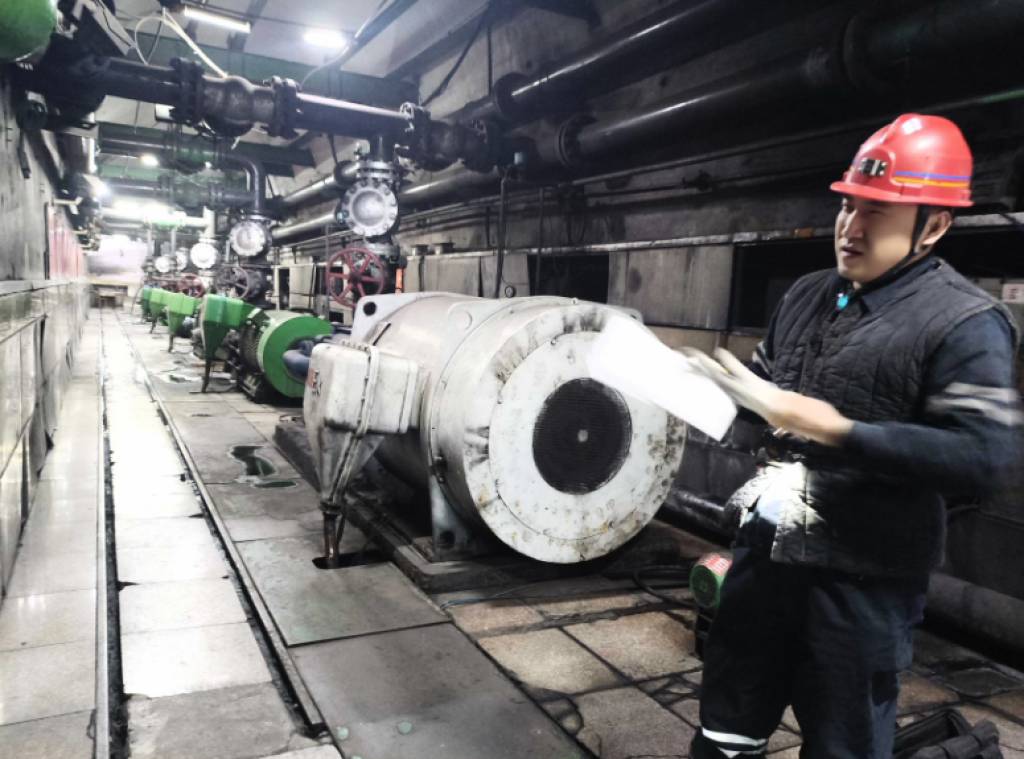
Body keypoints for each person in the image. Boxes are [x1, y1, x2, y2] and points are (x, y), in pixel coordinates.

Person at [685, 113, 1021, 759]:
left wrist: (832, 427)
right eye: (848, 206)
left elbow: (983, 456)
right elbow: (764, 397)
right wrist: (702, 393)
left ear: (934, 226)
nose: (851, 227)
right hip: (765, 563)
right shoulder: (809, 294)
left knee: (843, 744)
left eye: (877, 212)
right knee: (726, 729)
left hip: (860, 585)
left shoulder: (965, 322)